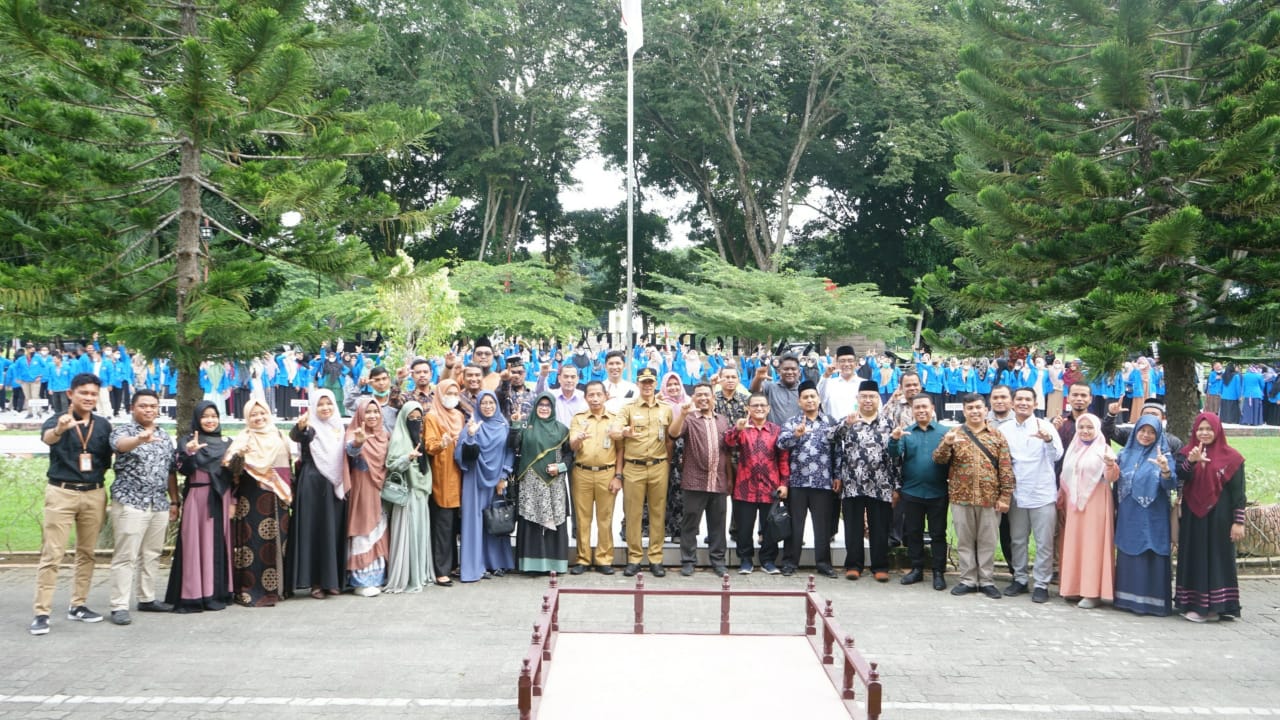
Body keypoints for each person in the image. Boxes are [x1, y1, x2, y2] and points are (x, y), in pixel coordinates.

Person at [30, 373, 114, 635]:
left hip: (94, 493)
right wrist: (60, 430)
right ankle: (41, 612)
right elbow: (48, 438)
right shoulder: (58, 420)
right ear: (70, 394)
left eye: (92, 393)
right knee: (52, 554)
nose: (89, 398)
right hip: (62, 492)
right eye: (83, 393)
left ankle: (78, 605)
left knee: (87, 552)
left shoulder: (102, 425)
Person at [107, 390, 178, 625]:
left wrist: (174, 501)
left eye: (153, 406)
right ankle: (119, 605)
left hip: (158, 503)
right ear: (132, 408)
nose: (149, 410)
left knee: (152, 553)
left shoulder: (164, 436)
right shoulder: (123, 431)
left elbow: (170, 472)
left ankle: (147, 598)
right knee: (126, 555)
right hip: (131, 501)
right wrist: (139, 439)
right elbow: (120, 446)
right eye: (143, 406)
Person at [933, 393, 1014, 600]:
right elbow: (939, 460)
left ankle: (986, 580)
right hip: (962, 497)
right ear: (964, 411)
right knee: (965, 541)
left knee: (988, 541)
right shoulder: (954, 433)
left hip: (989, 498)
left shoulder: (996, 436)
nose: (975, 411)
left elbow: (1005, 468)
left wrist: (1005, 496)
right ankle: (968, 579)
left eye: (978, 407)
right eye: (970, 408)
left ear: (985, 410)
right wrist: (946, 444)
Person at [1175, 412, 1246, 622]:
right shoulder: (1186, 452)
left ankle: (1217, 607)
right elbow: (1180, 476)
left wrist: (1238, 522)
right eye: (1200, 429)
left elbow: (1238, 493)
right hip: (1192, 517)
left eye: (1209, 429)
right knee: (1194, 557)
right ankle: (1195, 605)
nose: (1204, 433)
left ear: (1218, 431)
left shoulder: (1232, 458)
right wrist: (1191, 462)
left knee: (1217, 558)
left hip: (1220, 518)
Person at [165, 401, 234, 613]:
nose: (210, 420)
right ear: (197, 419)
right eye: (205, 416)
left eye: (214, 415)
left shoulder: (228, 442)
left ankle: (218, 592)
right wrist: (190, 453)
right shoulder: (187, 441)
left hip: (221, 497)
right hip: (198, 496)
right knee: (196, 543)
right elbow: (182, 470)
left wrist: (233, 501)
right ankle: (194, 594)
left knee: (217, 544)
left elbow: (234, 476)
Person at [225, 397, 293, 607]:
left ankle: (279, 589)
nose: (259, 417)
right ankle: (250, 590)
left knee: (278, 543)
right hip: (251, 499)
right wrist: (240, 456)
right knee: (252, 545)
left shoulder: (280, 436)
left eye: (262, 413)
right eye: (253, 414)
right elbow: (231, 472)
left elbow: (288, 466)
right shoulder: (243, 439)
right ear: (247, 417)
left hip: (277, 499)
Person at [999, 387, 1064, 603]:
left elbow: (1057, 456)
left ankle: (1041, 583)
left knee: (1043, 541)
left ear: (1035, 404)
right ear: (1013, 403)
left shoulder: (1044, 427)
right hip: (1017, 494)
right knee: (1017, 539)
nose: (1023, 403)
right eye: (1019, 399)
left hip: (1041, 493)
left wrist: (1047, 440)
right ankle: (1019, 579)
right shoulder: (1005, 429)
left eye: (1028, 399)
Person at [285, 390, 348, 599]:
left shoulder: (340, 427)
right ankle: (315, 583)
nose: (325, 408)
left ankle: (333, 580)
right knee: (315, 532)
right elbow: (297, 436)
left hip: (334, 485)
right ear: (313, 407)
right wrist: (299, 428)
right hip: (312, 484)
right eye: (320, 404)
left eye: (328, 403)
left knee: (333, 531)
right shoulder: (310, 428)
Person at [611, 367, 674, 577]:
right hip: (634, 468)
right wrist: (624, 432)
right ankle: (634, 558)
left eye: (650, 382)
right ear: (638, 384)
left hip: (658, 466)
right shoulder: (627, 408)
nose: (647, 386)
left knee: (658, 513)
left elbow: (670, 438)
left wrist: (668, 462)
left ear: (655, 383)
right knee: (633, 514)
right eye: (643, 382)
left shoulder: (665, 409)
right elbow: (613, 430)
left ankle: (656, 558)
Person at [1111, 415, 1176, 615]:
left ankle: (1153, 604)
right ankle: (1126, 601)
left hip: (1153, 515)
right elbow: (1114, 482)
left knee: (1151, 552)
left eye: (1151, 432)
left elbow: (1170, 484)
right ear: (1135, 431)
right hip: (1129, 514)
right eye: (1142, 431)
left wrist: (1165, 470)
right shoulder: (1124, 454)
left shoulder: (1164, 455)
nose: (1146, 435)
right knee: (1129, 552)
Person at [834, 380, 898, 581]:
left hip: (881, 484)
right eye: (864, 397)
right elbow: (832, 441)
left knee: (880, 526)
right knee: (852, 526)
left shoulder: (889, 424)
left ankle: (880, 565)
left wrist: (897, 486)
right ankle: (853, 564)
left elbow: (897, 457)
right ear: (858, 399)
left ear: (878, 399)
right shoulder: (848, 421)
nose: (868, 400)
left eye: (872, 397)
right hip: (852, 483)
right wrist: (846, 425)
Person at [667, 383, 732, 577]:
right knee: (690, 523)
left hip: (718, 480)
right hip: (694, 480)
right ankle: (688, 561)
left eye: (706, 395)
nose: (703, 398)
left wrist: (729, 478)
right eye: (699, 395)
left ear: (713, 397)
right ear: (693, 398)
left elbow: (727, 452)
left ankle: (718, 561)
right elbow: (673, 433)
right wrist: (682, 414)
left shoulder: (723, 420)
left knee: (718, 524)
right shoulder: (689, 419)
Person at [776, 381, 840, 578]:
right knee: (795, 525)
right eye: (805, 397)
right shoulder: (791, 422)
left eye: (813, 396)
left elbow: (838, 450)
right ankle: (789, 562)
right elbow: (780, 444)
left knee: (822, 526)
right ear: (799, 401)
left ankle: (824, 564)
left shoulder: (829, 422)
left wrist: (837, 475)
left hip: (823, 482)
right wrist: (796, 435)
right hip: (797, 483)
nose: (810, 400)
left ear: (819, 399)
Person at [890, 394, 950, 591]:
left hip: (938, 491)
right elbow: (894, 455)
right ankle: (916, 568)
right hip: (912, 491)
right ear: (912, 410)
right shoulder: (906, 432)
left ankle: (938, 571)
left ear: (933, 408)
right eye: (917, 408)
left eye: (925, 407)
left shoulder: (944, 432)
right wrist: (894, 440)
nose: (921, 411)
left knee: (938, 533)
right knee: (913, 532)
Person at [725, 393, 789, 575]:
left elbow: (783, 458)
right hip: (745, 487)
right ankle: (745, 560)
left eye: (762, 405)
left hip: (770, 487)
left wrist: (784, 483)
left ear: (768, 408)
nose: (759, 408)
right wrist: (737, 429)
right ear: (748, 409)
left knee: (769, 527)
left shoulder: (776, 430)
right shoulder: (742, 427)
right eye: (755, 406)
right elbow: (728, 442)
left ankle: (768, 560)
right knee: (744, 528)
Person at [456, 390, 516, 581]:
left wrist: (504, 475)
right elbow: (461, 456)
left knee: (495, 520)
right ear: (478, 405)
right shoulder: (471, 426)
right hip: (475, 479)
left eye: (491, 403)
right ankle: (475, 567)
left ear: (496, 405)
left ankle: (496, 563)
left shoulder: (503, 425)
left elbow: (509, 452)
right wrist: (471, 436)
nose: (488, 406)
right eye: (484, 403)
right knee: (474, 523)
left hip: (497, 479)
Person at [511, 393, 570, 574]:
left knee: (555, 520)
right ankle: (530, 565)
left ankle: (555, 564)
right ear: (535, 407)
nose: (544, 408)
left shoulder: (562, 429)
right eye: (541, 405)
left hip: (554, 482)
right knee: (530, 521)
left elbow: (570, 456)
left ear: (553, 408)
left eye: (548, 405)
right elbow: (512, 445)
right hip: (530, 482)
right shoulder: (526, 427)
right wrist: (515, 425)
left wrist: (560, 467)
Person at [568, 381, 620, 574]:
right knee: (583, 518)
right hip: (582, 472)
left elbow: (621, 450)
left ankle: (604, 559)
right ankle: (583, 559)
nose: (595, 398)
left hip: (607, 473)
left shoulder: (614, 419)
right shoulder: (579, 419)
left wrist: (618, 476)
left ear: (606, 396)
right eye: (591, 395)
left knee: (605, 518)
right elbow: (572, 446)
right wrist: (578, 439)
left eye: (599, 394)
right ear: (586, 397)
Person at [385, 401, 435, 592]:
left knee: (421, 534)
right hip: (407, 494)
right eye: (411, 418)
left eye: (418, 418)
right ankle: (408, 576)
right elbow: (391, 465)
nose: (415, 421)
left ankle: (419, 574)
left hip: (421, 492)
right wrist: (408, 458)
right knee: (409, 534)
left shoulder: (419, 438)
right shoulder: (399, 438)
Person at [345, 398, 390, 596]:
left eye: (376, 412)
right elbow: (349, 451)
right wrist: (358, 442)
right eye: (368, 412)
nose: (372, 416)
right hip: (362, 488)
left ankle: (378, 578)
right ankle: (360, 581)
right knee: (363, 529)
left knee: (379, 530)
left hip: (381, 489)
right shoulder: (354, 432)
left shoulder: (384, 435)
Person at [423, 380, 465, 585]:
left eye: (456, 392)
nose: (452, 396)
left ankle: (453, 565)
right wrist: (442, 444)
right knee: (443, 524)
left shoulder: (459, 416)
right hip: (443, 474)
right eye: (448, 392)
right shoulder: (432, 416)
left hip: (460, 474)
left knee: (454, 524)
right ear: (439, 394)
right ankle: (441, 569)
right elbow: (429, 445)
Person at [659, 372, 690, 542]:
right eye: (669, 385)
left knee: (680, 492)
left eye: (676, 384)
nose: (673, 388)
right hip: (663, 451)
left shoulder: (689, 403)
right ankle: (663, 531)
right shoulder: (659, 405)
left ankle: (679, 531)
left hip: (684, 451)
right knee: (663, 493)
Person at [750, 354, 802, 426]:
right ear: (779, 371)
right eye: (786, 369)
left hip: (798, 435)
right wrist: (758, 378)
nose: (790, 372)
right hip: (774, 435)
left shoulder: (804, 391)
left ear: (799, 372)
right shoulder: (771, 387)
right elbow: (754, 391)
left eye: (793, 369)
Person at [818, 345, 861, 420]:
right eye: (842, 361)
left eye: (850, 361)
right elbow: (819, 397)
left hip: (859, 429)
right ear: (837, 363)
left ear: (856, 363)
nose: (847, 364)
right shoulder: (829, 384)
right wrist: (826, 375)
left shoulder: (864, 384)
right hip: (834, 429)